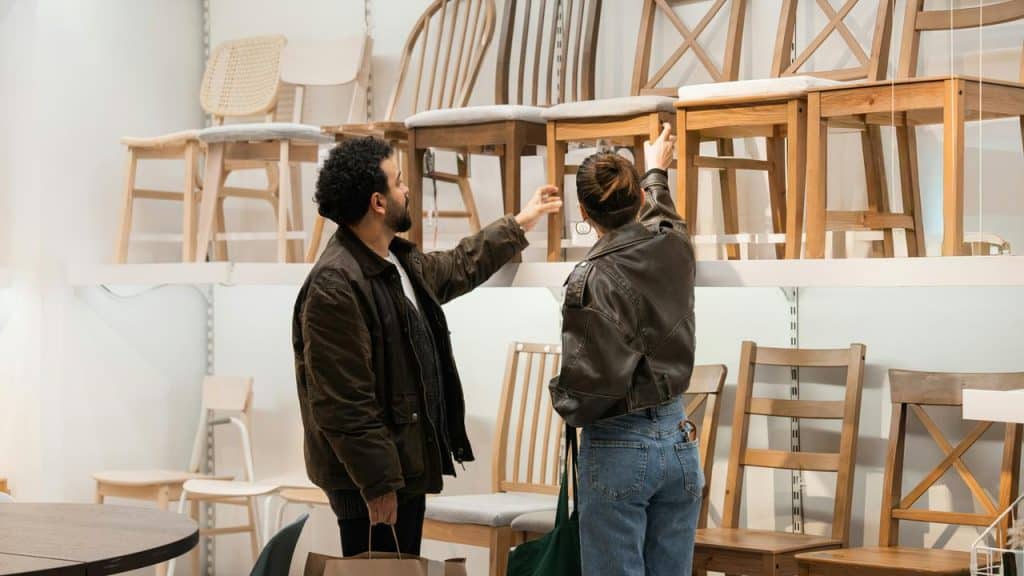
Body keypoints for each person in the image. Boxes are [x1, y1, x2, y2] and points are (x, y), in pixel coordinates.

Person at [294, 136, 562, 556]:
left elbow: (459, 265)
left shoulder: (395, 262)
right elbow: (343, 401)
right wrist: (378, 483)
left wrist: (521, 222)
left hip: (398, 472)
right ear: (379, 203)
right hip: (373, 486)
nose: (408, 190)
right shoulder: (336, 284)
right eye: (399, 182)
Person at [550, 123, 698, 575]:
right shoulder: (674, 246)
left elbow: (587, 393)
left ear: (583, 211)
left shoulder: (590, 279)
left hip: (619, 446)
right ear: (637, 198)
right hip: (679, 439)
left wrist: (561, 395)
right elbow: (662, 220)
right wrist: (656, 172)